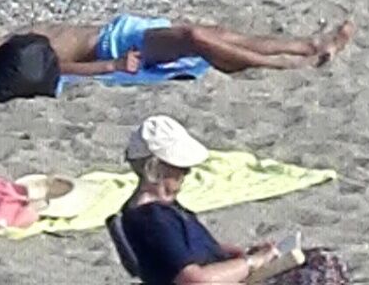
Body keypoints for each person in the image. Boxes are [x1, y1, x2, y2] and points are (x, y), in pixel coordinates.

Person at [0, 12, 352, 105]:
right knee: (197, 37)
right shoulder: (9, 59)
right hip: (113, 46)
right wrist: (111, 68)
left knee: (216, 36)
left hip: (117, 30)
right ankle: (292, 59)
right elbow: (57, 69)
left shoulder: (5, 47)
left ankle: (308, 45)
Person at [115, 113, 299, 281]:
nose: (186, 174)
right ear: (157, 168)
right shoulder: (152, 220)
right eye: (182, 168)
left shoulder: (159, 211)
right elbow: (196, 280)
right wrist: (251, 263)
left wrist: (240, 256)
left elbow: (186, 252)